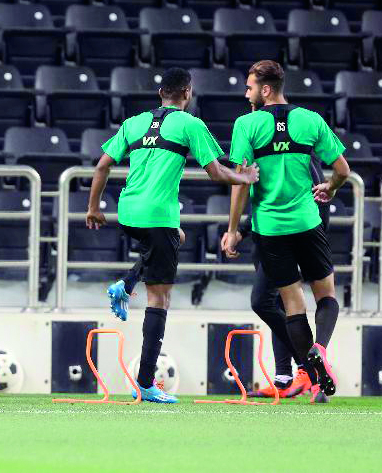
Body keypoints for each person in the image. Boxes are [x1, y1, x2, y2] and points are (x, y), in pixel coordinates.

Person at [87, 67, 259, 403]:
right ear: (187, 93)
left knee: (172, 237)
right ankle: (146, 383)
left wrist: (93, 208)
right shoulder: (190, 124)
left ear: (160, 94)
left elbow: (102, 166)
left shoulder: (133, 122)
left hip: (128, 212)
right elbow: (216, 173)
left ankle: (126, 283)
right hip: (157, 214)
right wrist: (247, 179)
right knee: (160, 298)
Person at [222, 60, 347, 404]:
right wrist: (331, 188)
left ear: (265, 90)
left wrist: (233, 229)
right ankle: (319, 351)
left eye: (249, 87)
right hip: (307, 223)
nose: (246, 93)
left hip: (270, 229)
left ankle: (312, 371)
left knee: (292, 305)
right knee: (326, 296)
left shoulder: (246, 124)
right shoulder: (310, 119)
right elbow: (342, 169)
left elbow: (240, 184)